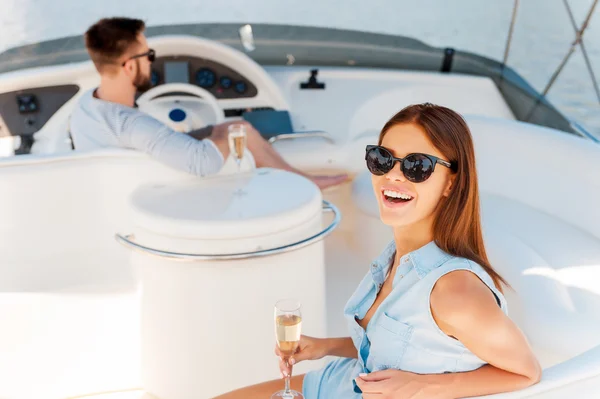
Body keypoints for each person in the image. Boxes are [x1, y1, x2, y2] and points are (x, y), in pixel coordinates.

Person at [215, 103, 542, 399]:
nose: (394, 175)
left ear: (450, 183)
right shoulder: (393, 258)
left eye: (418, 166)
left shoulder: (455, 292)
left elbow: (526, 371)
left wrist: (422, 386)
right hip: (340, 382)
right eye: (382, 159)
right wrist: (325, 347)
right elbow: (390, 346)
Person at [70, 17, 347, 189]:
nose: (151, 61)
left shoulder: (85, 107)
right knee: (241, 130)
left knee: (234, 126)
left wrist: (219, 130)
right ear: (130, 67)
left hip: (128, 186)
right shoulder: (134, 125)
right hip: (172, 189)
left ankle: (300, 181)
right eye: (148, 54)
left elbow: (152, 141)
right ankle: (304, 185)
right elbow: (203, 163)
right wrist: (234, 133)